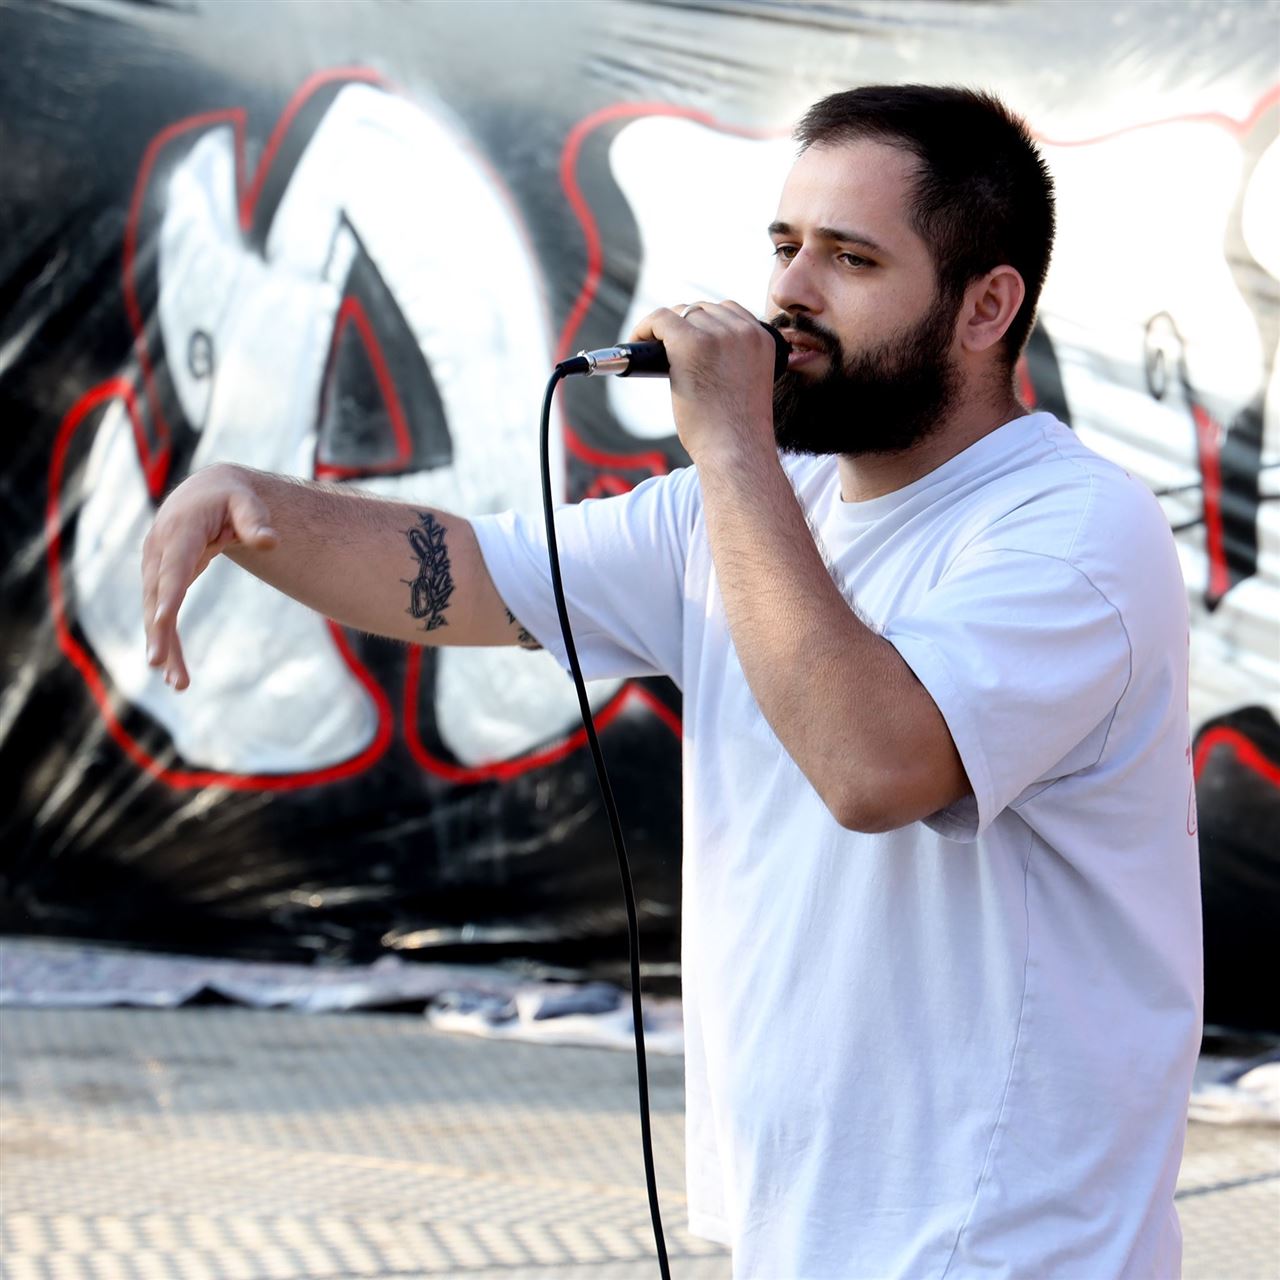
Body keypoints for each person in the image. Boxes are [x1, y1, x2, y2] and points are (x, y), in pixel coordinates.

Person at [142, 85, 1202, 1278]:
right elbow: (472, 575)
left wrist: (734, 443)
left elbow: (872, 764)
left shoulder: (1071, 529)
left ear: (986, 306)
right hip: (807, 1239)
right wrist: (251, 506)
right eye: (783, 244)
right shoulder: (747, 511)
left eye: (850, 257)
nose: (790, 290)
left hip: (1009, 1247)